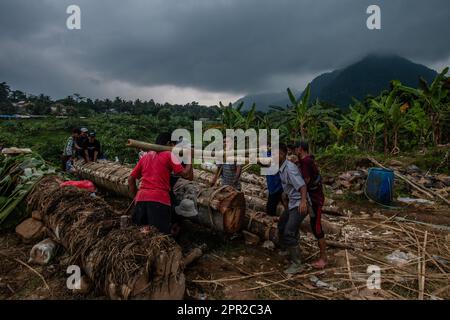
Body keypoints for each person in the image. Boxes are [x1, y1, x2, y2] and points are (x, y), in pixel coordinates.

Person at [128, 132, 193, 234]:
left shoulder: (146, 156)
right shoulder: (169, 154)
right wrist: (189, 157)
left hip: (141, 199)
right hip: (159, 200)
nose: (175, 147)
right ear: (169, 144)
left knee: (140, 235)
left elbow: (130, 179)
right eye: (174, 145)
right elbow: (186, 174)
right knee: (159, 236)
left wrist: (135, 198)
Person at [276, 143, 310, 274]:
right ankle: (287, 250)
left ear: (284, 154)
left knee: (289, 232)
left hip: (299, 204)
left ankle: (297, 264)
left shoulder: (289, 168)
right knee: (281, 225)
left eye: (277, 153)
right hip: (292, 203)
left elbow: (302, 186)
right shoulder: (281, 167)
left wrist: (303, 202)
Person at [295, 141, 327, 269]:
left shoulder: (306, 161)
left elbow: (306, 180)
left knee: (317, 228)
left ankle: (323, 258)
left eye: (296, 148)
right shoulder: (306, 160)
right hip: (312, 198)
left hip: (315, 200)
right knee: (314, 226)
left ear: (300, 149)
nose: (295, 151)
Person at [265, 150, 283, 216]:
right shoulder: (266, 154)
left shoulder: (272, 156)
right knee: (270, 207)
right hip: (273, 187)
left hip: (276, 187)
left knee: (270, 209)